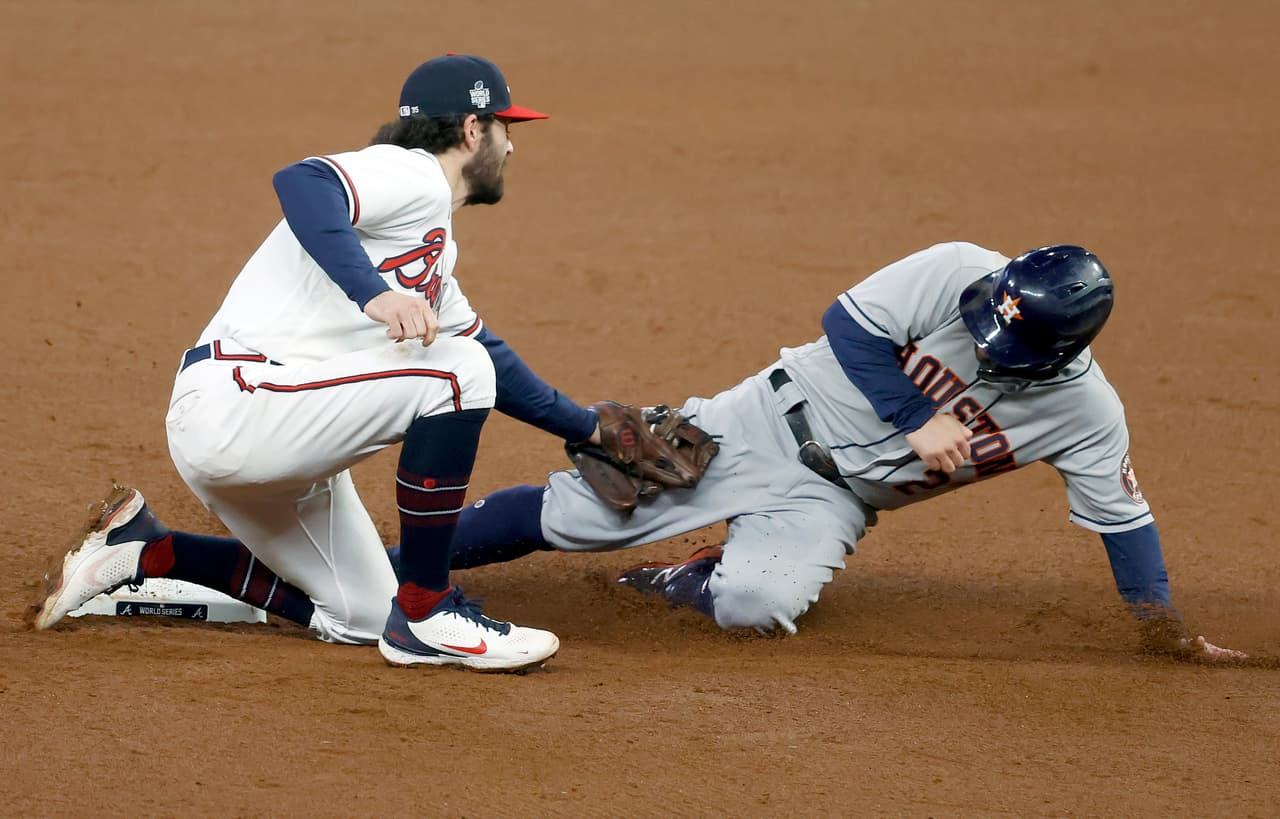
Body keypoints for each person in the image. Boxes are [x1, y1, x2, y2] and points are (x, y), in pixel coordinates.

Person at [31, 54, 609, 673]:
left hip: (280, 428)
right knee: (457, 372)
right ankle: (429, 611)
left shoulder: (431, 246)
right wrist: (376, 295)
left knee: (362, 616)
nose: (511, 147)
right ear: (472, 129)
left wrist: (593, 432)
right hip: (240, 402)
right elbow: (304, 181)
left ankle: (145, 553)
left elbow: (493, 357)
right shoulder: (410, 172)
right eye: (505, 128)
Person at [419, 242, 1246, 662]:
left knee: (755, 609)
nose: (985, 342)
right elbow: (849, 323)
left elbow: (1123, 519)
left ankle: (688, 576)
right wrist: (915, 413)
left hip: (835, 500)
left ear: (1068, 352)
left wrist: (1162, 629)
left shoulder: (1088, 414)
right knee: (578, 515)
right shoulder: (960, 268)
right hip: (765, 423)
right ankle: (392, 567)